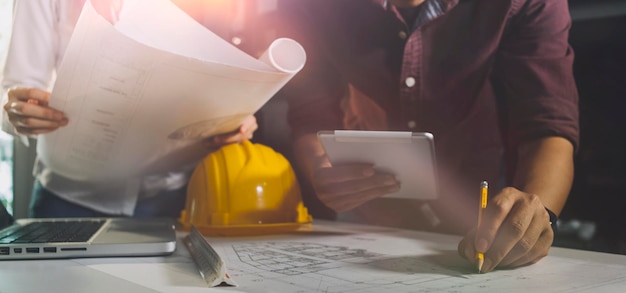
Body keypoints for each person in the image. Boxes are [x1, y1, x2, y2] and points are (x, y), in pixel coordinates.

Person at [280, 0, 579, 273]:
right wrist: (320, 167)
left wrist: (540, 214)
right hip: (362, 221)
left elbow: (546, 122)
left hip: (479, 213)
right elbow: (310, 115)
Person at [1, 0, 257, 218]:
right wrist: (17, 112)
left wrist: (236, 118)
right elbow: (16, 91)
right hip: (68, 200)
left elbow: (216, 80)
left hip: (177, 196)